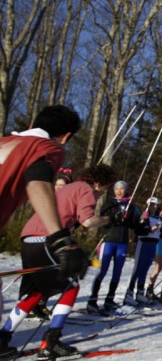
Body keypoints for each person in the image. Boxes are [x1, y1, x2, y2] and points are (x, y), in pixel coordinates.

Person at [0, 164, 117, 360]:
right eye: (103, 190)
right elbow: (88, 220)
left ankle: (3, 338)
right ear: (97, 183)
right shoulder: (86, 189)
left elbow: (70, 217)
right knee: (70, 287)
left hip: (29, 239)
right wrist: (109, 219)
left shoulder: (70, 188)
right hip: (45, 239)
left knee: (37, 292)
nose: (100, 195)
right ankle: (51, 342)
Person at [0, 105, 86, 320]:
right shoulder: (45, 147)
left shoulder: (5, 141)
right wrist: (60, 238)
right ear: (65, 137)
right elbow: (37, 182)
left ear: (32, 124)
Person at [87, 181, 142, 314]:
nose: (119, 191)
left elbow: (134, 224)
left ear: (126, 190)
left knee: (117, 272)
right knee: (103, 270)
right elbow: (102, 219)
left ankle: (109, 299)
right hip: (109, 240)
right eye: (116, 188)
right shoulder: (109, 203)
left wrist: (141, 219)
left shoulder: (130, 205)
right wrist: (114, 216)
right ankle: (92, 301)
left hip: (122, 242)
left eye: (122, 189)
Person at [124, 197, 162, 305]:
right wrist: (149, 229)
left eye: (156, 204)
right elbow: (138, 230)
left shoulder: (159, 218)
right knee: (138, 268)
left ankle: (140, 293)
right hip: (143, 242)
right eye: (152, 204)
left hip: (153, 244)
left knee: (145, 268)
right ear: (148, 205)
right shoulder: (144, 216)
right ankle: (129, 293)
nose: (155, 206)